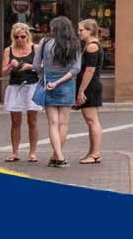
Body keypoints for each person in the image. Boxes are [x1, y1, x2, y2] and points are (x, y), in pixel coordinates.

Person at [34, 16, 80, 168]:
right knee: (63, 123)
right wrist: (60, 81)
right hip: (67, 84)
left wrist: (44, 76)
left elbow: (36, 65)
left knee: (53, 123)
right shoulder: (74, 44)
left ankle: (58, 156)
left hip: (49, 83)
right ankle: (57, 156)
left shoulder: (45, 42)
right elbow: (76, 69)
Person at [1, 22, 41, 163]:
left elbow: (42, 66)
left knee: (32, 120)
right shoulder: (9, 50)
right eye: (16, 37)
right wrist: (10, 66)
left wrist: (30, 66)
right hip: (15, 86)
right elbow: (3, 72)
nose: (19, 39)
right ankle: (15, 152)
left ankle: (32, 152)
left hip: (31, 85)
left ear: (27, 36)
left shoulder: (35, 48)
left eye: (22, 36)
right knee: (15, 121)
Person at [74, 19, 104, 164]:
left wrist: (81, 91)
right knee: (90, 120)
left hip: (90, 86)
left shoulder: (92, 46)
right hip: (90, 86)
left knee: (92, 120)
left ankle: (95, 153)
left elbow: (90, 70)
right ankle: (92, 152)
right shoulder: (89, 45)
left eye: (81, 30)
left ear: (90, 30)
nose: (79, 33)